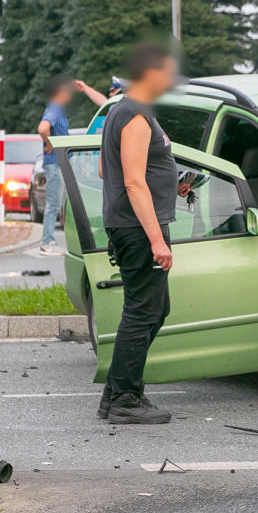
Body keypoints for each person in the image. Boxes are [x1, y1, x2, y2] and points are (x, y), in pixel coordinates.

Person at [96, 42, 188, 424]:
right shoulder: (133, 114)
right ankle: (124, 400)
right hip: (137, 228)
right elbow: (133, 182)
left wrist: (171, 184)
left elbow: (108, 171)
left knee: (154, 309)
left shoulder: (126, 112)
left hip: (132, 224)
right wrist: (156, 239)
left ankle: (116, 391)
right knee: (142, 311)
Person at [37, 77, 107, 256]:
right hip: (54, 163)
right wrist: (50, 144)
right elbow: (43, 128)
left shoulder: (57, 109)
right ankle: (47, 243)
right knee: (53, 204)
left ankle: (50, 241)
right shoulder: (54, 108)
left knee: (57, 203)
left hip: (57, 163)